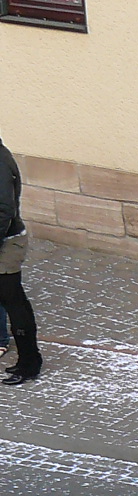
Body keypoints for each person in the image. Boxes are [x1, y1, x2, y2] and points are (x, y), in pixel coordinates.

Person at [0, 134, 42, 385]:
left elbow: (4, 209)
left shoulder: (0, 162)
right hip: (6, 239)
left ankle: (29, 363)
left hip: (7, 242)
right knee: (12, 300)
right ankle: (28, 361)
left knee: (14, 301)